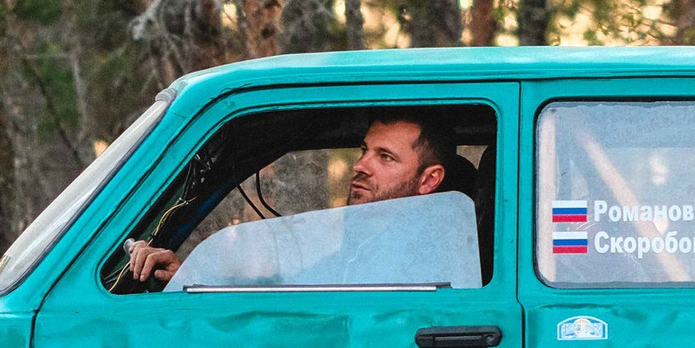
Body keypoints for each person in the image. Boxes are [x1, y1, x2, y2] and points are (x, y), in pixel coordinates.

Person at [124, 116, 458, 289]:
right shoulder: (364, 245)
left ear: (429, 180)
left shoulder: (429, 255)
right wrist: (189, 278)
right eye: (363, 151)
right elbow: (294, 291)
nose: (360, 165)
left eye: (384, 157)